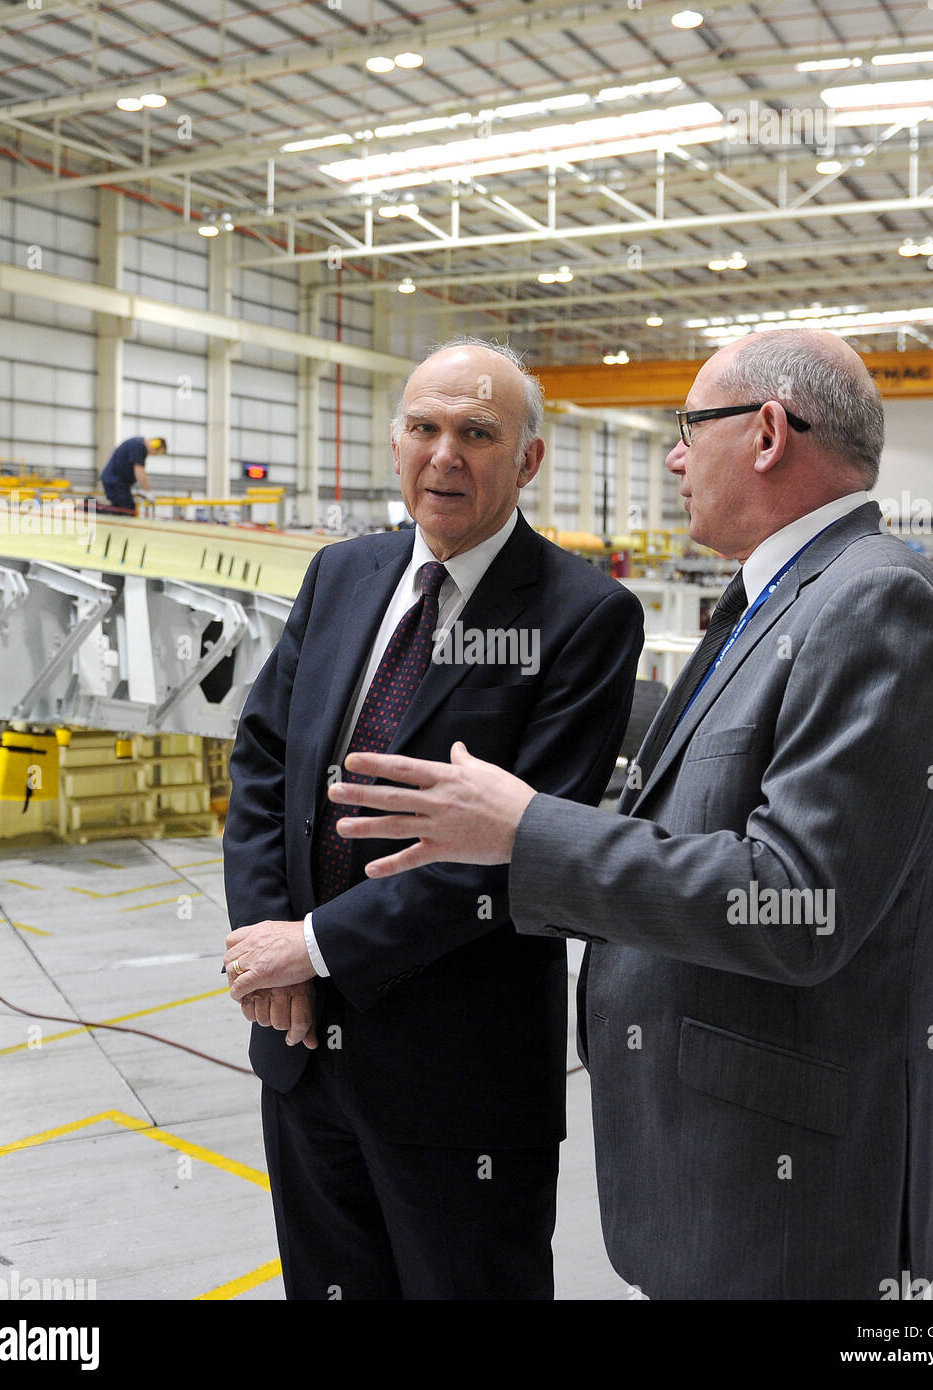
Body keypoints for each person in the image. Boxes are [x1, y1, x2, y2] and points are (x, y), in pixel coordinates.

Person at [329, 329, 933, 1300]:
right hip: (717, 1179)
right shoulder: (772, 603)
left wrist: (527, 828)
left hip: (785, 1209)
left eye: (690, 428)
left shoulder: (874, 603)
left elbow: (798, 900)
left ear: (767, 432)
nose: (675, 457)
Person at [221, 338, 645, 1300]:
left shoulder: (583, 617)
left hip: (458, 1079)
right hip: (299, 1044)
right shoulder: (340, 575)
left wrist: (315, 946)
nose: (443, 454)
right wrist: (266, 949)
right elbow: (264, 768)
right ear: (396, 439)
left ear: (527, 459)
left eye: (476, 432)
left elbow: (515, 855)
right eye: (423, 427)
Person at [99, 435, 166, 513]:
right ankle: (88, 507)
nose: (154, 455)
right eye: (157, 453)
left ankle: (89, 506)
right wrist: (148, 491)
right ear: (155, 445)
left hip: (118, 483)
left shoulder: (137, 444)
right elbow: (139, 471)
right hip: (114, 482)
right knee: (127, 510)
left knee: (124, 509)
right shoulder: (138, 446)